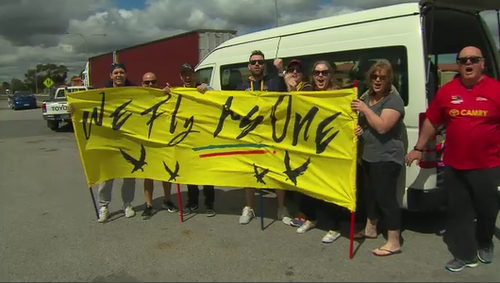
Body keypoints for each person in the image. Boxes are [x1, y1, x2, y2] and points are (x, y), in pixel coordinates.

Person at [406, 46, 500, 272]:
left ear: (482, 64)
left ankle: (485, 242)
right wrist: (419, 147)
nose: (468, 64)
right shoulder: (447, 92)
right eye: (463, 60)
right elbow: (431, 121)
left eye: (473, 60)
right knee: (459, 212)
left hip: (487, 165)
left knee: (487, 209)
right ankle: (465, 254)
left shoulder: (496, 90)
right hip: (455, 166)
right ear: (458, 64)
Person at [292, 60, 362, 244]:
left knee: (331, 189)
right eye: (317, 73)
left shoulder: (341, 96)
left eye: (324, 73)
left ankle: (334, 227)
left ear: (330, 75)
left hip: (332, 151)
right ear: (312, 76)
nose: (320, 76)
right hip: (310, 150)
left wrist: (357, 129)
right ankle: (311, 219)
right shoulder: (308, 95)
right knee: (307, 188)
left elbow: (352, 118)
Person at [351, 61, 406, 256]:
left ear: (389, 80)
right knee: (371, 195)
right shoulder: (368, 96)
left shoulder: (393, 100)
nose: (377, 81)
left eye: (382, 78)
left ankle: (394, 241)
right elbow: (367, 125)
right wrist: (360, 129)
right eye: (374, 76)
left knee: (386, 199)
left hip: (386, 157)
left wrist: (365, 110)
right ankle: (370, 229)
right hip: (369, 156)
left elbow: (383, 126)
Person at [235, 50, 291, 225]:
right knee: (250, 173)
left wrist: (281, 70)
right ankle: (249, 207)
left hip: (272, 136)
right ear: (249, 66)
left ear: (265, 65)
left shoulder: (274, 83)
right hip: (251, 137)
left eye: (260, 62)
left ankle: (281, 208)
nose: (257, 65)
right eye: (254, 62)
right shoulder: (241, 88)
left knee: (277, 172)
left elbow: (289, 95)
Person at [164, 64, 216, 217]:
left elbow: (217, 97)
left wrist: (206, 90)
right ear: (181, 77)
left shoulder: (203, 89)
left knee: (206, 172)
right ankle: (192, 202)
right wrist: (166, 93)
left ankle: (209, 204)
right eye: (184, 75)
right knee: (190, 172)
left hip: (203, 137)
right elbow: (165, 103)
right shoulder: (177, 92)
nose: (187, 77)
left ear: (194, 75)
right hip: (186, 139)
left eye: (190, 74)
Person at [98, 63, 137, 223]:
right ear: (111, 76)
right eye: (116, 73)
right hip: (108, 140)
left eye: (122, 72)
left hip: (129, 139)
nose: (119, 75)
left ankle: (127, 204)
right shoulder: (101, 93)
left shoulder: (136, 92)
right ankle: (104, 207)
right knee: (106, 176)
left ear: (126, 75)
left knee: (128, 175)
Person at [140, 72, 179, 220]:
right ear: (142, 84)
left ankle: (167, 200)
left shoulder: (165, 95)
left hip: (163, 140)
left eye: (153, 82)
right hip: (146, 142)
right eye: (147, 83)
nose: (150, 85)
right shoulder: (137, 98)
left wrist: (171, 93)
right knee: (149, 175)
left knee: (166, 173)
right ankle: (149, 205)